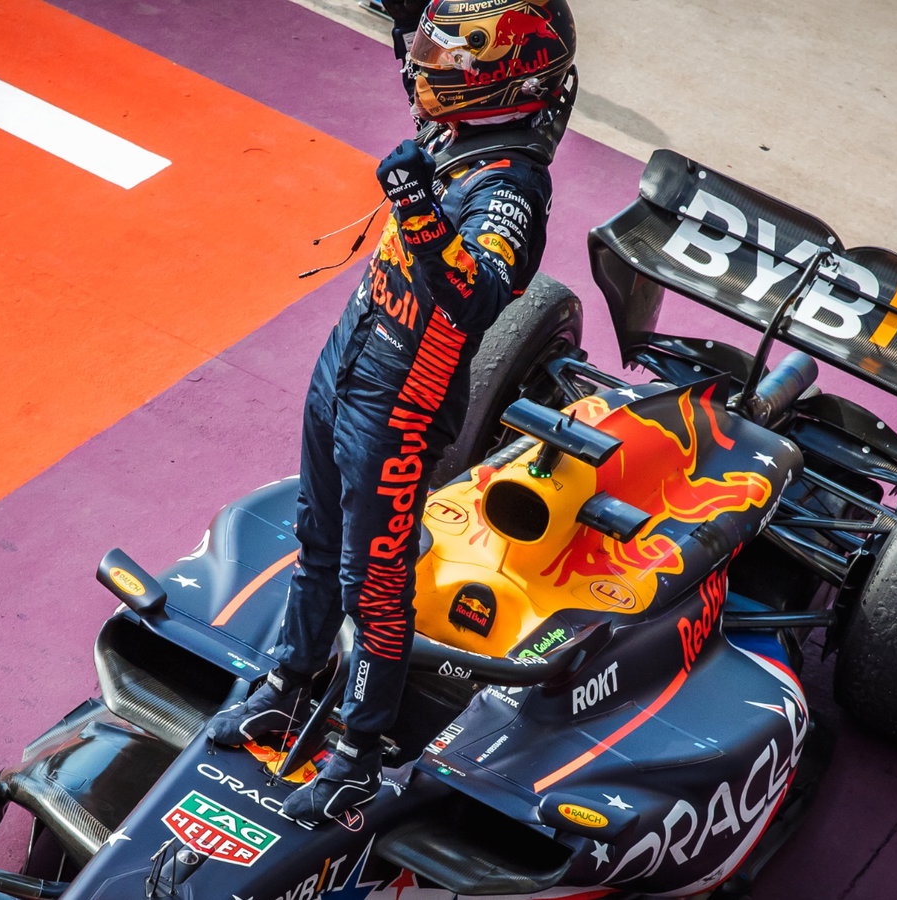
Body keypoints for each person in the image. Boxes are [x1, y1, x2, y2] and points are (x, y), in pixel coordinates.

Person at [206, 0, 578, 824]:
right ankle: (286, 683)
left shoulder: (514, 184)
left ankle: (356, 752)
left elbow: (478, 295)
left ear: (498, 72)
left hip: (402, 402)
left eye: (450, 49)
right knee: (317, 538)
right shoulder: (459, 127)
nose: (425, 60)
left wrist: (413, 203)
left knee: (372, 583)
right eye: (428, 42)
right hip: (347, 362)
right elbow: (418, 31)